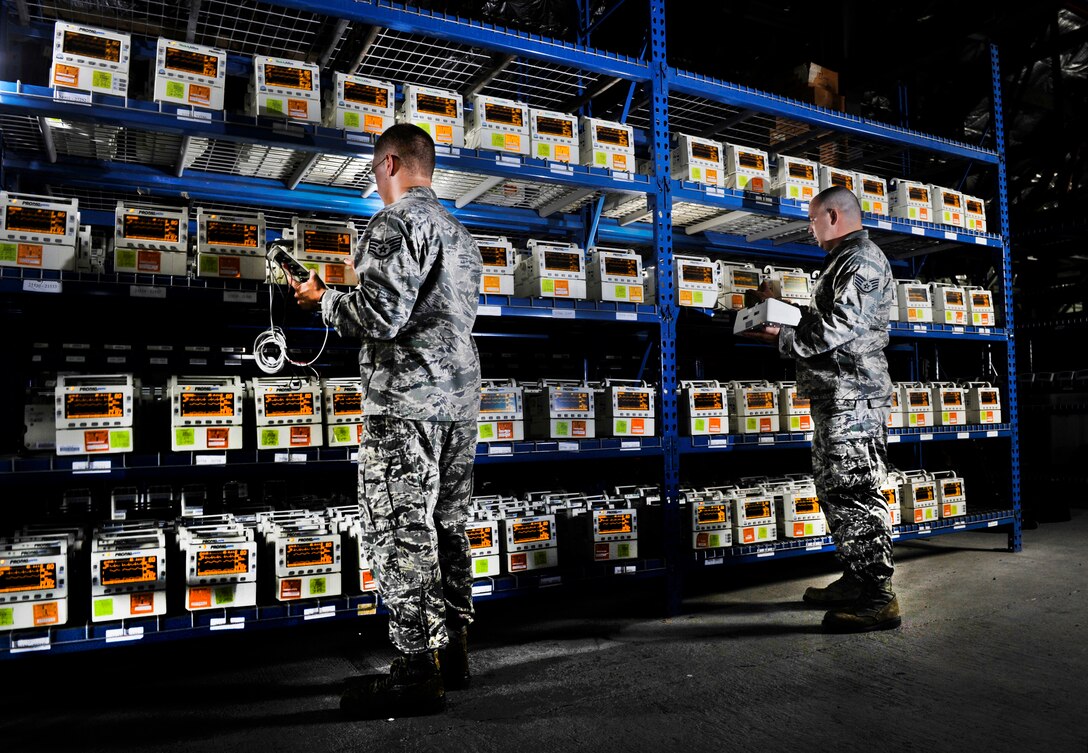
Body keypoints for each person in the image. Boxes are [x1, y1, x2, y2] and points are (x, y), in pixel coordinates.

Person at [287, 123, 482, 716]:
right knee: (449, 522)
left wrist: (321, 297)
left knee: (400, 530)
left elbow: (379, 315)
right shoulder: (462, 235)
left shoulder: (397, 222)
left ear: (392, 161)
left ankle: (416, 669)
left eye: (376, 170)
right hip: (459, 402)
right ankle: (454, 652)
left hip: (405, 403)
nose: (376, 180)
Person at [739, 184, 900, 632]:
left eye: (812, 220)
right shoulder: (841, 261)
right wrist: (784, 311)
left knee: (856, 492)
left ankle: (879, 597)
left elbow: (843, 326)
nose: (810, 230)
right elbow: (832, 320)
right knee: (835, 490)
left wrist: (784, 337)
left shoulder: (860, 259)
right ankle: (856, 578)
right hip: (836, 395)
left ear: (832, 215)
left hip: (853, 397)